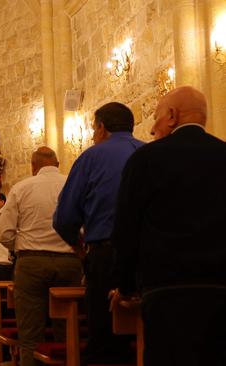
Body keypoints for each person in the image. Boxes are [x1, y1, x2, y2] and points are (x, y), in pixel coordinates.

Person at [112, 86, 226, 365]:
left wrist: (125, 286)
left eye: (156, 117)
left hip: (167, 292)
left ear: (172, 116)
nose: (152, 129)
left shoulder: (145, 160)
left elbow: (127, 228)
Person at [53, 102, 143, 364]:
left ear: (102, 128)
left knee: (105, 338)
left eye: (93, 129)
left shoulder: (91, 157)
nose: (93, 135)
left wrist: (79, 247)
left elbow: (65, 217)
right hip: (147, 258)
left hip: (106, 255)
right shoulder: (148, 152)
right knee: (143, 333)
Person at [0, 147, 82, 366]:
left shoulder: (21, 188)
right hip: (69, 262)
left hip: (31, 263)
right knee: (69, 331)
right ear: (57, 164)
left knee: (30, 334)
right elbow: (85, 225)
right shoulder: (73, 185)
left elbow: (4, 233)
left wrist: (25, 246)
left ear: (33, 167)